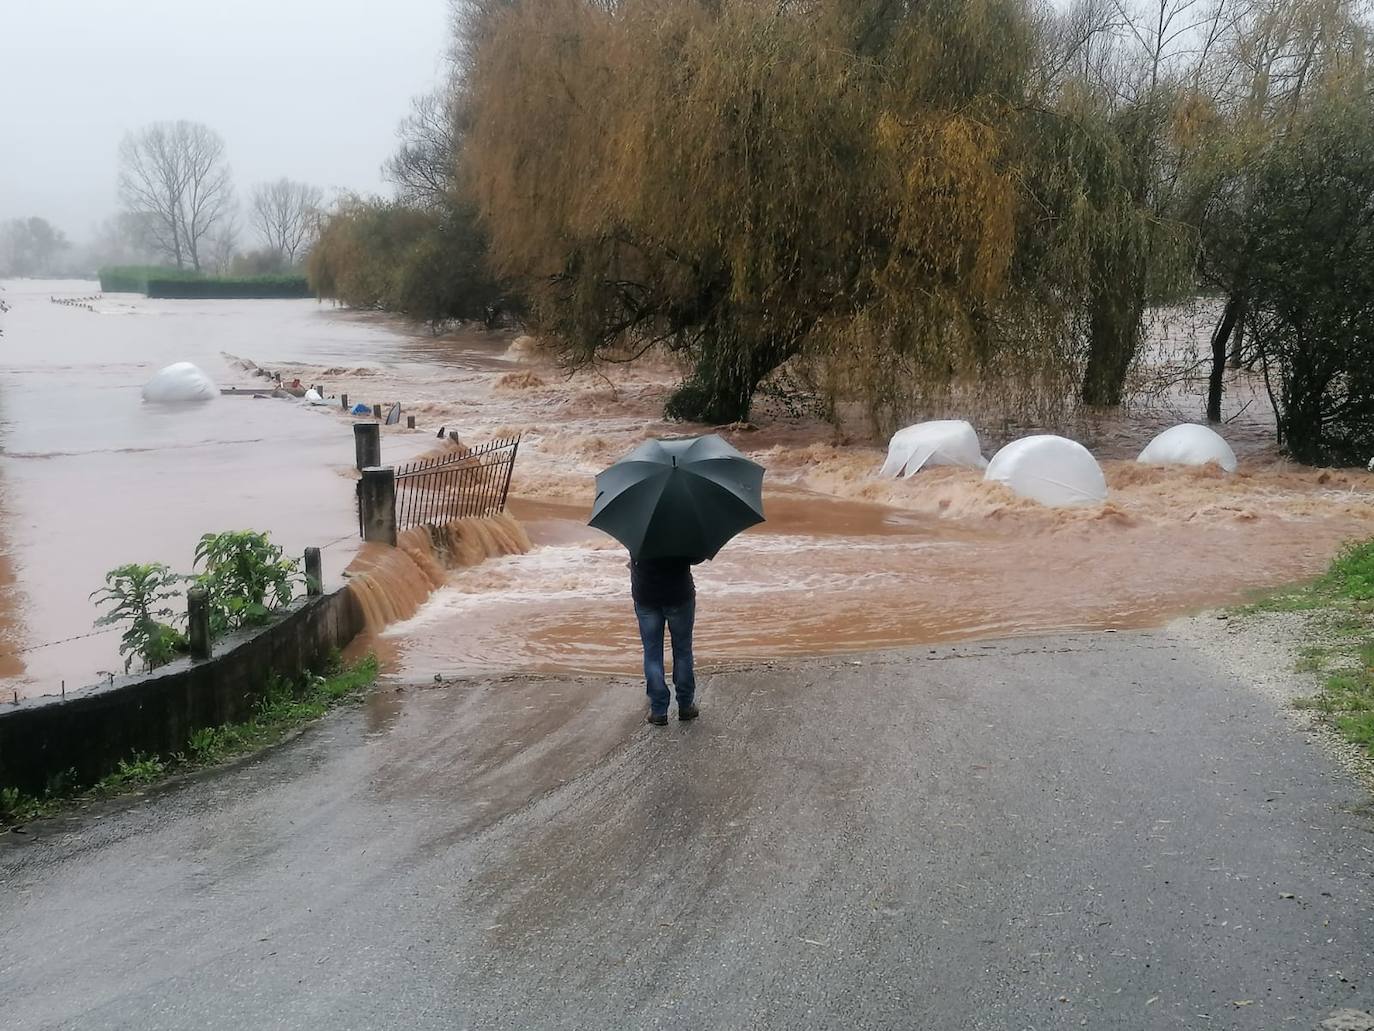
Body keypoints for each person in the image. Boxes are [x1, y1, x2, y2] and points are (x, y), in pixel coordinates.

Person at [630, 556, 700, 725]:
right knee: (683, 650)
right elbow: (696, 557)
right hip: (679, 595)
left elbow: (635, 556)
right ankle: (685, 705)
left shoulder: (639, 533)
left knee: (652, 653)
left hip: (646, 595)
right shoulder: (680, 531)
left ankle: (659, 710)